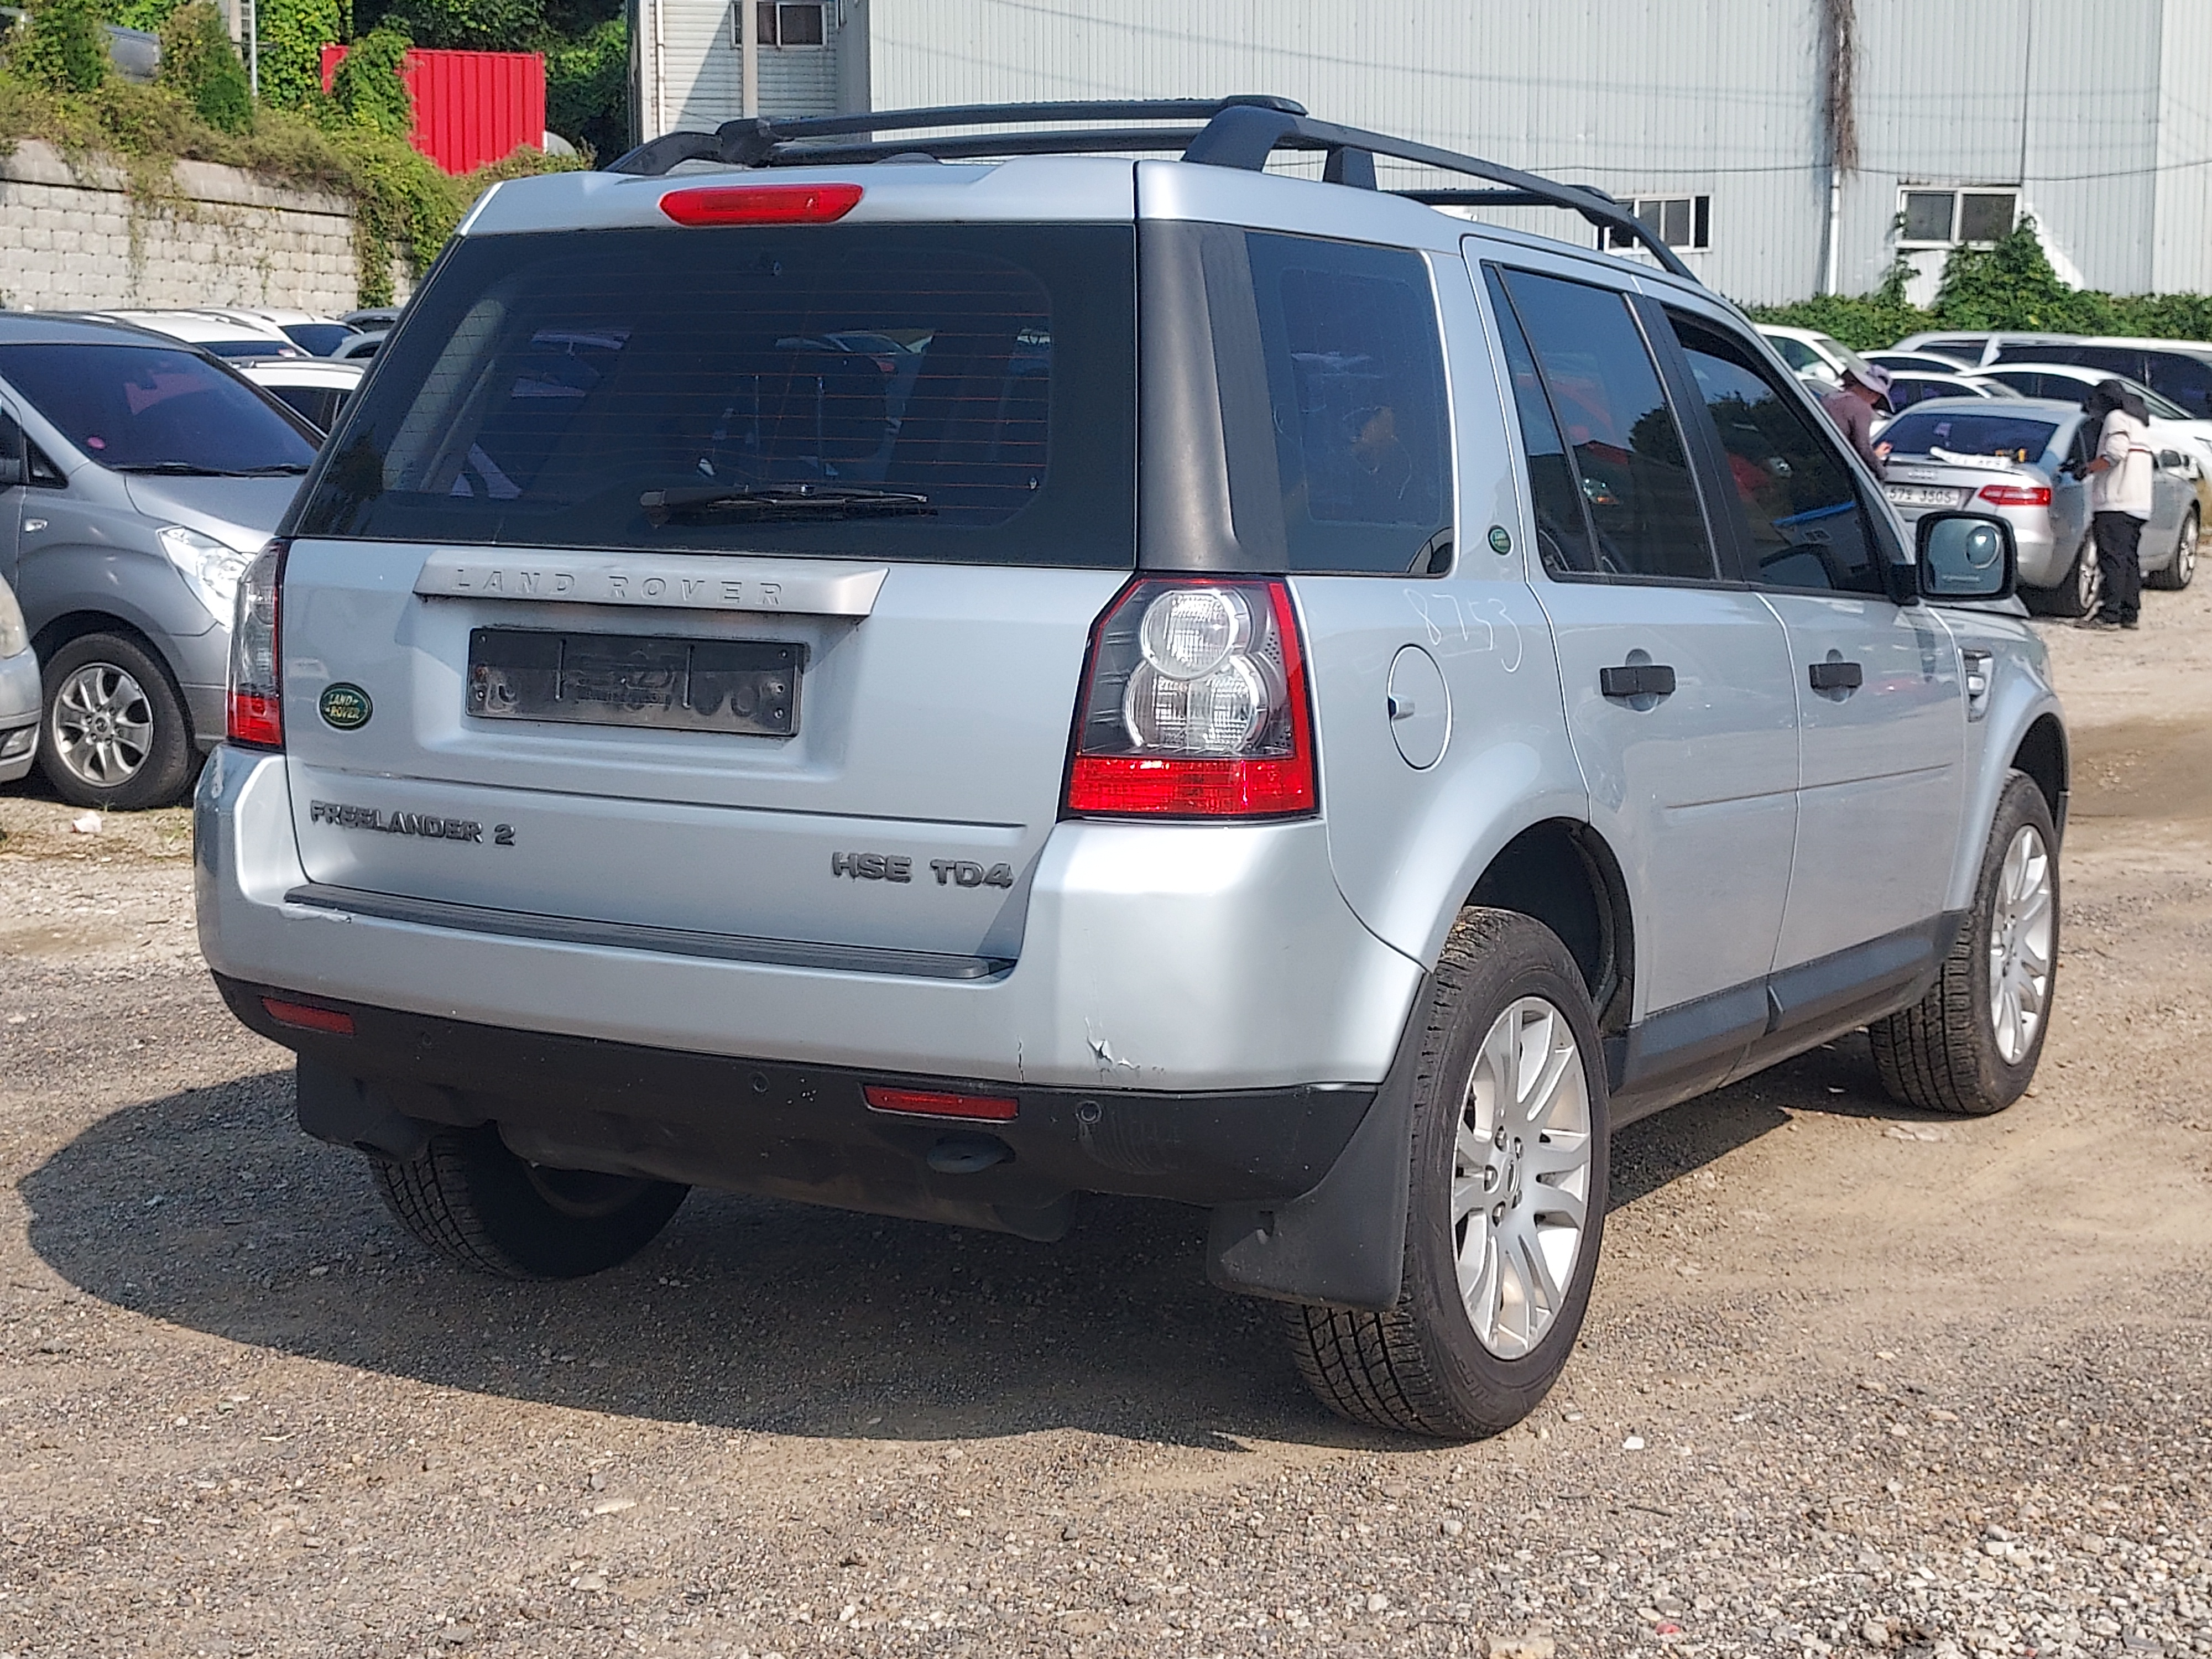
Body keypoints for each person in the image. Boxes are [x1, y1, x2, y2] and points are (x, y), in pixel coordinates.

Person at [2069, 379, 2152, 629]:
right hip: (2139, 502)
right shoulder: (2137, 421)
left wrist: (2087, 469)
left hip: (2116, 501)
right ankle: (2129, 613)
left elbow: (2115, 454)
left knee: (2112, 560)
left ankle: (2110, 615)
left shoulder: (2116, 418)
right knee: (2129, 561)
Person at [1818, 362, 1893, 480]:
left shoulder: (1829, 397)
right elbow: (1862, 448)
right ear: (1871, 392)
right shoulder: (1861, 408)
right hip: (1833, 469)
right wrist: (1881, 473)